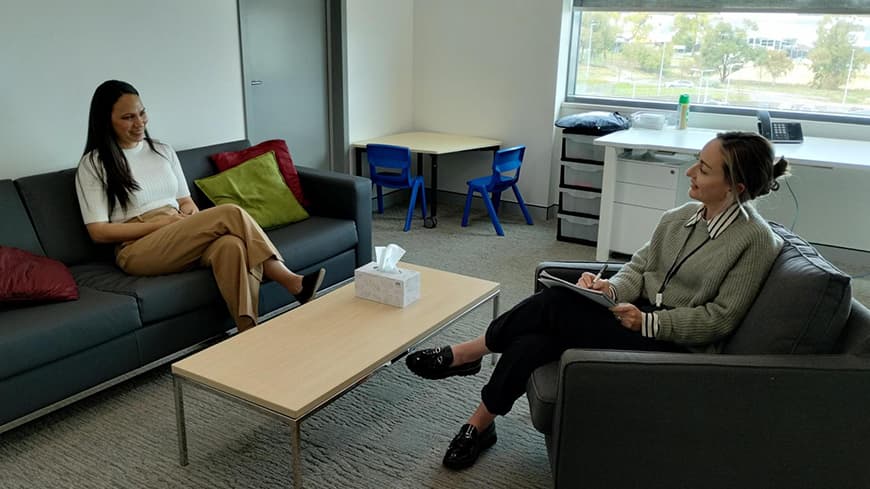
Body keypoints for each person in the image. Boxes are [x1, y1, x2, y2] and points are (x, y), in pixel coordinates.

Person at [406, 131, 789, 470]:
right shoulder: (682, 216)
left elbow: (720, 319)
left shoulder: (754, 240)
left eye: (703, 169)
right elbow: (638, 267)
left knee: (554, 303)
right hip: (637, 318)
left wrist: (649, 323)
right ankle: (479, 424)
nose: (691, 172)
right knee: (536, 340)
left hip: (676, 343)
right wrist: (611, 290)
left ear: (735, 187)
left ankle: (467, 353)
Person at [75, 80, 324, 333]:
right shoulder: (94, 164)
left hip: (178, 227)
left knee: (231, 246)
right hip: (137, 247)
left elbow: (185, 201)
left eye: (142, 113)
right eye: (128, 117)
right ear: (106, 121)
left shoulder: (162, 150)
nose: (139, 123)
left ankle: (249, 333)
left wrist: (189, 215)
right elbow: (99, 232)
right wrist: (162, 224)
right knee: (230, 211)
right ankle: (290, 280)